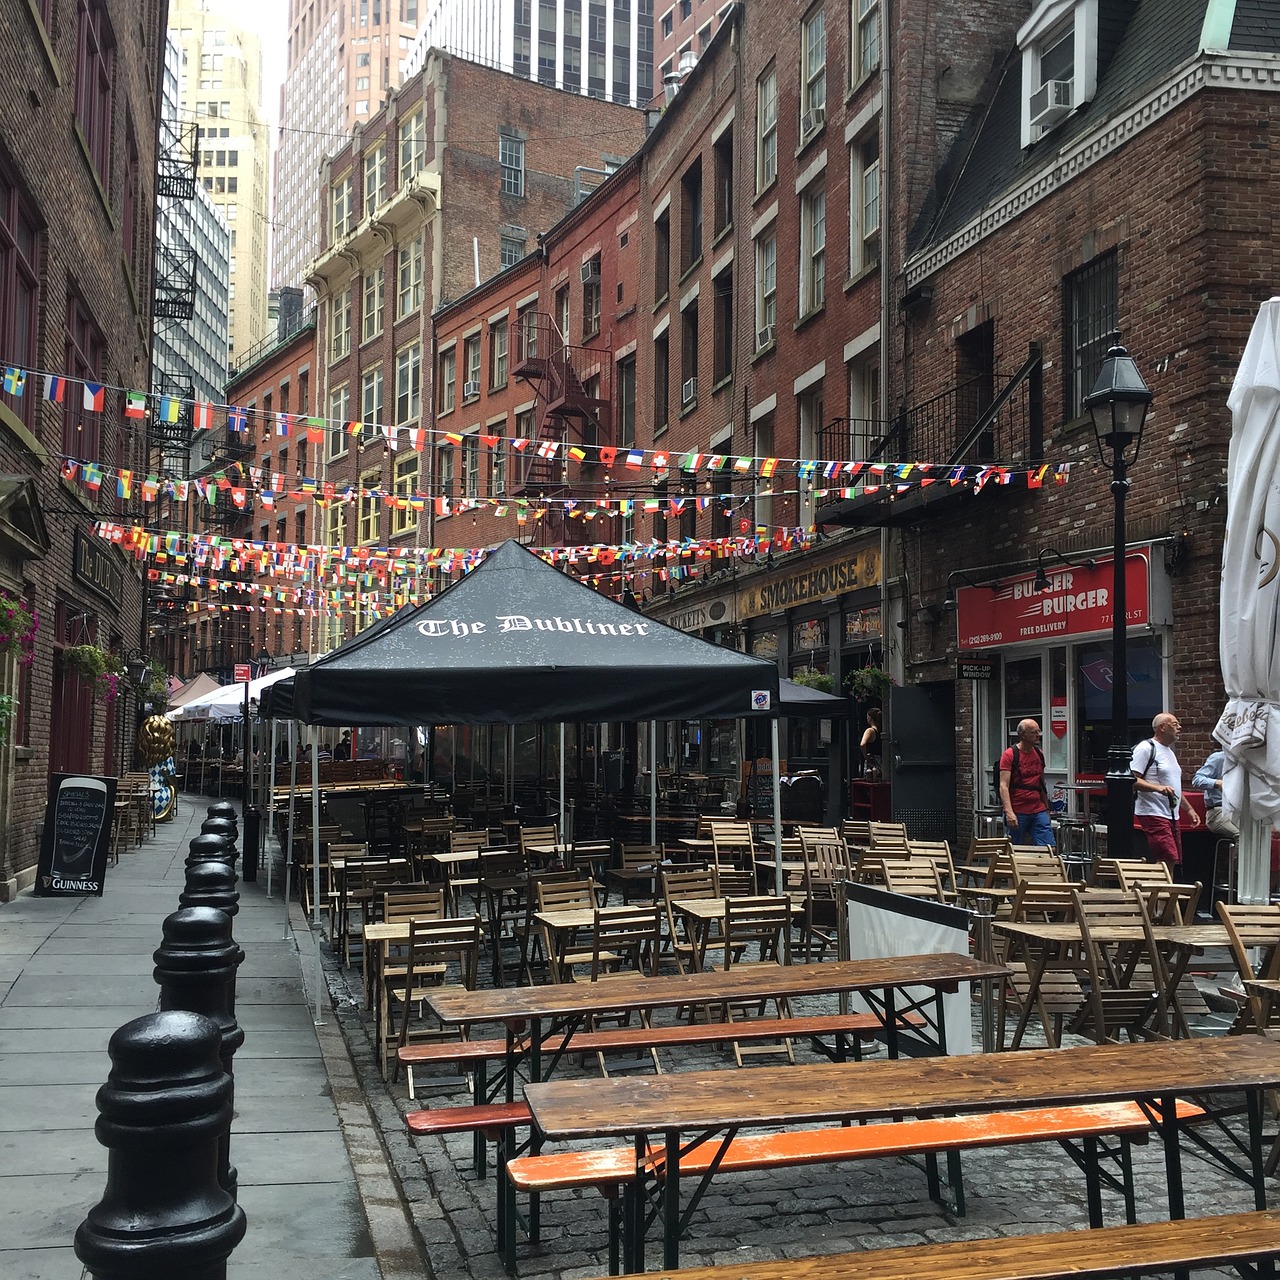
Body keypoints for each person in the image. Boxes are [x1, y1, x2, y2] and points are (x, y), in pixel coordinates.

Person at [1131, 712, 1201, 866]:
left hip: (1171, 815)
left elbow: (1174, 787)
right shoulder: (1145, 748)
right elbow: (1132, 779)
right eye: (1175, 724)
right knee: (1167, 857)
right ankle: (1159, 889)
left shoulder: (1169, 753)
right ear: (1162, 727)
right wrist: (1158, 788)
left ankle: (1161, 889)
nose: (1179, 727)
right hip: (1152, 812)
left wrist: (1189, 810)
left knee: (1172, 860)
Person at [998, 719, 1055, 847]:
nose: (1038, 734)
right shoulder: (1010, 755)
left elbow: (1040, 784)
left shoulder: (1039, 754)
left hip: (1037, 808)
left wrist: (1046, 808)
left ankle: (1044, 865)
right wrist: (1009, 812)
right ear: (1023, 735)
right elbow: (1004, 785)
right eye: (1033, 732)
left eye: (1038, 731)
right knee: (1015, 849)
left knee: (1048, 848)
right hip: (1018, 809)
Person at [1192, 748, 1239, 839]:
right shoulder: (1218, 758)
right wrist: (1217, 783)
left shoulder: (1247, 760)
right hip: (1218, 811)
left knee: (1256, 836)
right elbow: (1197, 780)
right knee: (1241, 836)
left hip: (1239, 811)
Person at [860, 708, 883, 779]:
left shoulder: (870, 731)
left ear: (870, 717)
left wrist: (865, 756)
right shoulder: (880, 731)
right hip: (880, 761)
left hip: (871, 761)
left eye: (867, 716)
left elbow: (862, 744)